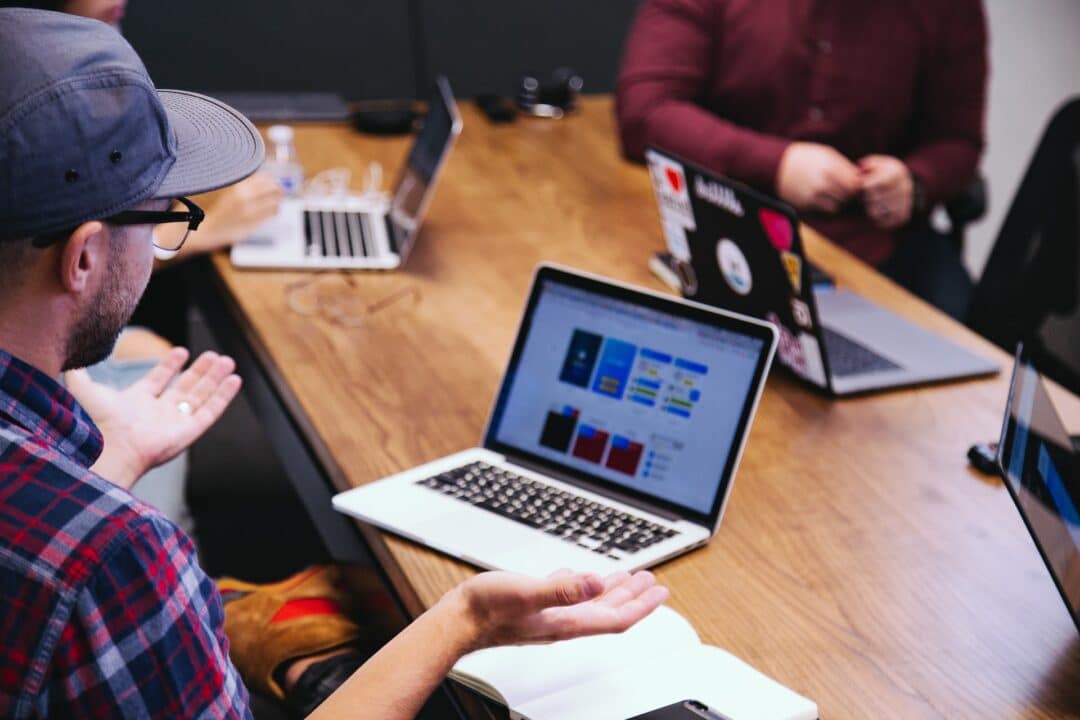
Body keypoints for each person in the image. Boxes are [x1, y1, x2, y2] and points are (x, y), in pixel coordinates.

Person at [0, 9, 669, 719]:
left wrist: (112, 465)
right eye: (162, 218)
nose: (164, 238)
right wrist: (464, 621)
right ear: (83, 257)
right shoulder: (116, 560)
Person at [616, 0, 988, 319]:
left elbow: (958, 141)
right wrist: (777, 165)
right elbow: (646, 109)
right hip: (718, 219)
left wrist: (916, 181)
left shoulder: (949, 9)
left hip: (874, 252)